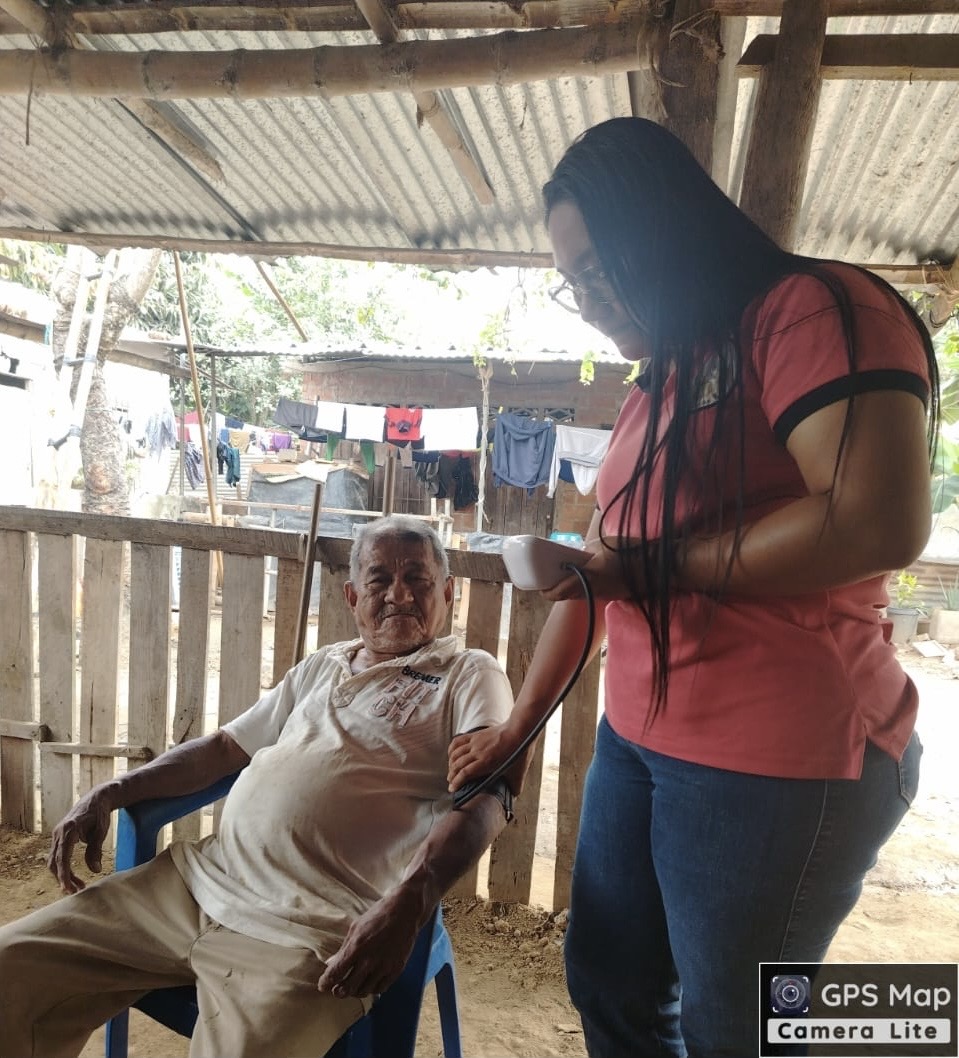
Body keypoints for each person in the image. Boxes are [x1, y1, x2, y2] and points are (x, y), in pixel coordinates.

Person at [447, 117, 939, 1057]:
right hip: (638, 740)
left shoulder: (812, 310)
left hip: (778, 757)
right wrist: (516, 732)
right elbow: (598, 578)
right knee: (612, 986)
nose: (587, 302)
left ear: (665, 229)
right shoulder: (660, 382)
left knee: (737, 1031)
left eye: (599, 270)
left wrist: (659, 566)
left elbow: (873, 517)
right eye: (571, 282)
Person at [0, 515, 513, 1058]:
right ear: (352, 596)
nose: (399, 595)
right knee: (12, 967)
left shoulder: (468, 674)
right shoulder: (322, 666)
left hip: (312, 928)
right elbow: (225, 748)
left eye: (417, 579)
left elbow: (489, 798)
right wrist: (114, 790)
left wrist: (411, 902)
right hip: (194, 885)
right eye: (380, 580)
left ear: (448, 592)